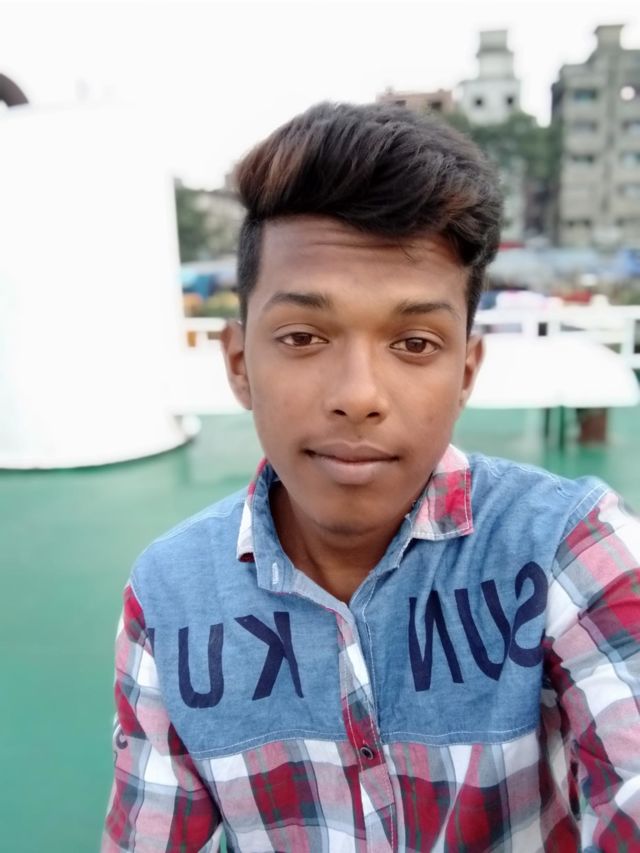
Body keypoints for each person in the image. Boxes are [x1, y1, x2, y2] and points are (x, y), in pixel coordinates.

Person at [102, 102, 640, 852]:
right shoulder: (170, 598)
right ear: (239, 364)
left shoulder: (568, 549)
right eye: (303, 336)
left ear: (466, 371)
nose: (358, 394)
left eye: (415, 342)